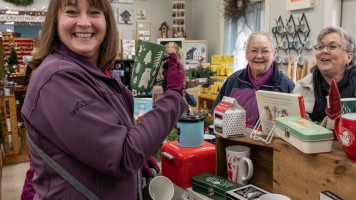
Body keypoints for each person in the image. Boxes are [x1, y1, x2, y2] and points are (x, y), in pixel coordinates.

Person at [20, 0, 186, 199]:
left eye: (94, 12)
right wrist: (174, 96)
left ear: (106, 21)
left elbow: (105, 146)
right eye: (72, 12)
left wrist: (137, 166)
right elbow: (124, 155)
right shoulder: (58, 79)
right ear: (55, 22)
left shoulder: (100, 74)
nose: (84, 22)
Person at [211, 31, 294, 126]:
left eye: (265, 51)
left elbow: (293, 126)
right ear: (246, 54)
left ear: (274, 55)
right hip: (234, 140)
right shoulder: (234, 80)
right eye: (254, 51)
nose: (259, 56)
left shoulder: (286, 85)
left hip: (270, 141)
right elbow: (216, 116)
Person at [293, 26, 356, 129]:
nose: (324, 51)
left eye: (332, 46)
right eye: (321, 47)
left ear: (349, 57)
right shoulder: (302, 87)